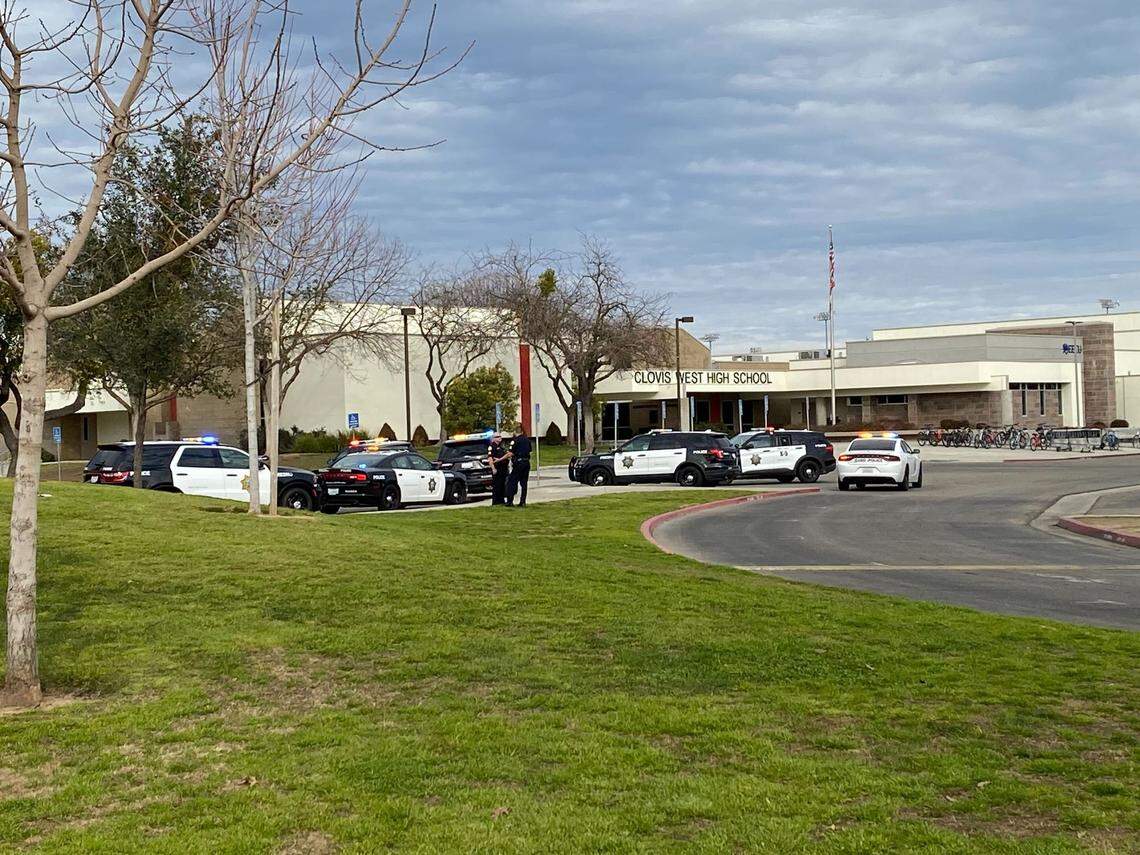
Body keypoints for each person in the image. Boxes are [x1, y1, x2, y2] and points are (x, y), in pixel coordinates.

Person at [506, 428, 532, 507]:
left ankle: (510, 501)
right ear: (522, 432)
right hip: (526, 463)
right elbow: (529, 450)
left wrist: (500, 459)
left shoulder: (515, 441)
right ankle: (523, 501)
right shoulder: (527, 440)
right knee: (524, 483)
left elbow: (510, 453)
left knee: (512, 481)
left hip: (518, 463)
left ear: (515, 432)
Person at [488, 433, 511, 506]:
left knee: (502, 486)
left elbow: (507, 455)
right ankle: (496, 502)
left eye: (500, 436)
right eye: (497, 437)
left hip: (503, 469)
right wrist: (493, 468)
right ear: (493, 439)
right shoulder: (492, 447)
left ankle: (501, 501)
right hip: (497, 468)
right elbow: (490, 458)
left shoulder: (501, 447)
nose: (499, 438)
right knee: (497, 486)